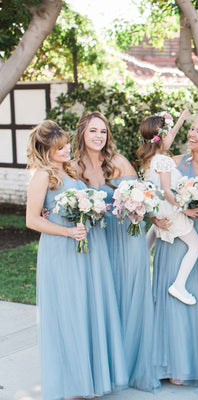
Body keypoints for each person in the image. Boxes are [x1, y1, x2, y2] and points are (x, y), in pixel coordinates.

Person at [26, 120, 128, 399]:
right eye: (60, 147)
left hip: (85, 248)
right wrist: (68, 231)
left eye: (66, 145)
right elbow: (32, 220)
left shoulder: (69, 171)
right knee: (68, 312)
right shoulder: (42, 176)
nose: (67, 150)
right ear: (46, 150)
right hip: (61, 249)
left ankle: (87, 379)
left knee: (85, 309)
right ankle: (72, 385)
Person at [72, 111, 159, 392]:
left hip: (126, 237)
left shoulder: (118, 162)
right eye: (93, 131)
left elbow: (142, 198)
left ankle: (131, 366)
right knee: (100, 299)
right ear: (82, 134)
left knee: (130, 296)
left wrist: (139, 211)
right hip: (96, 241)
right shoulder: (72, 167)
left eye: (103, 131)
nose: (99, 136)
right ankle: (105, 368)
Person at [152, 114, 198, 384]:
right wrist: (154, 217)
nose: (192, 134)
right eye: (192, 129)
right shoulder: (176, 162)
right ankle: (174, 365)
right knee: (174, 301)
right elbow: (156, 192)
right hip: (175, 237)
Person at [137, 111, 198, 306]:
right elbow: (167, 191)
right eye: (169, 134)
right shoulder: (164, 160)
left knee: (154, 230)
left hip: (158, 209)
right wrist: (185, 210)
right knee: (196, 246)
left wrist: (180, 120)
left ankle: (140, 257)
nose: (172, 137)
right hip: (170, 209)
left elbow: (169, 135)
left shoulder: (150, 161)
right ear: (162, 137)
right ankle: (179, 285)